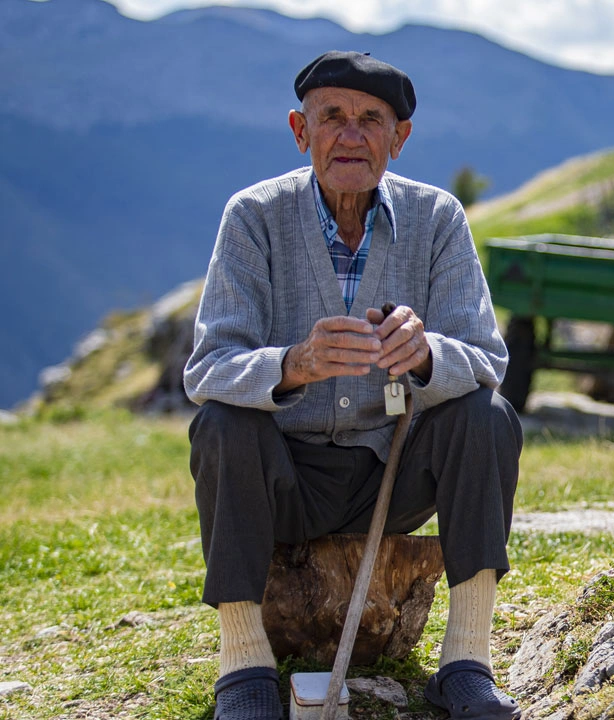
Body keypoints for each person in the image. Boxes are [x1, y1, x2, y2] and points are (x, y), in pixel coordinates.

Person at [185, 51, 522, 720]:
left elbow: (487, 357)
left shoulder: (438, 218)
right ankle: (244, 664)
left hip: (391, 477)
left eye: (371, 119)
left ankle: (466, 661)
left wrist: (427, 356)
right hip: (282, 480)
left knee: (487, 415)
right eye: (332, 116)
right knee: (221, 423)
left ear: (399, 138)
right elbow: (208, 367)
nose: (350, 135)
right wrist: (293, 364)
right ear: (299, 131)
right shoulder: (253, 216)